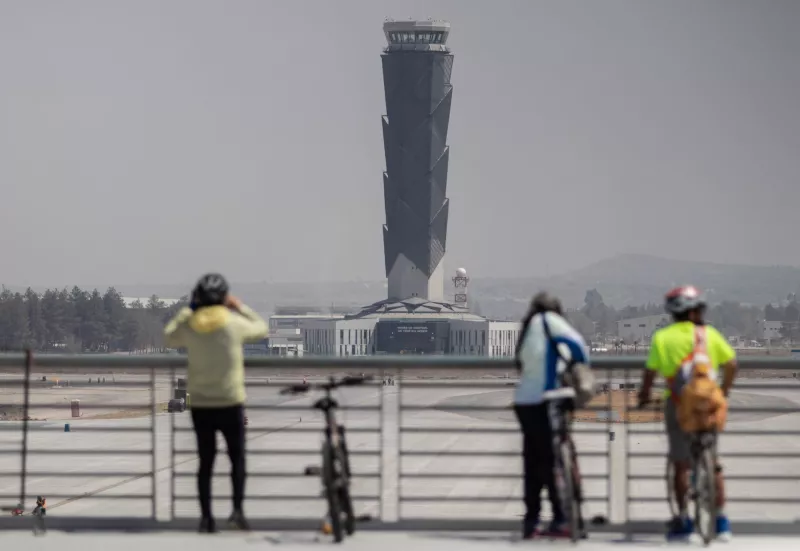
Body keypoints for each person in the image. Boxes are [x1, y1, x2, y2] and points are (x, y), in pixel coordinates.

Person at [164, 273, 269, 533]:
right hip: (230, 401)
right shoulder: (233, 323)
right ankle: (237, 512)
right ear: (224, 297)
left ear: (198, 297)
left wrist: (189, 309)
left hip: (201, 405)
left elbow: (169, 336)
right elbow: (262, 328)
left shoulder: (192, 325)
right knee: (237, 460)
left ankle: (206, 519)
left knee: (205, 464)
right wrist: (239, 306)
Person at [637, 285, 737, 542]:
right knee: (713, 462)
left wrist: (644, 396)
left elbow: (650, 374)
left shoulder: (663, 338)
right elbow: (731, 363)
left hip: (680, 405)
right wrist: (723, 391)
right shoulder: (709, 334)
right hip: (709, 405)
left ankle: (684, 522)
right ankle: (721, 521)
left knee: (681, 463)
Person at [514, 291, 589, 539]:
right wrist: (578, 366)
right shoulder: (550, 321)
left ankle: (531, 520)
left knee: (532, 460)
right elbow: (579, 347)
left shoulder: (527, 328)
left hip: (525, 403)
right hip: (549, 399)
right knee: (551, 460)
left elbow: (521, 365)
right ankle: (561, 517)